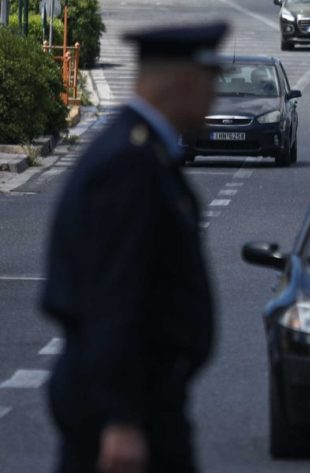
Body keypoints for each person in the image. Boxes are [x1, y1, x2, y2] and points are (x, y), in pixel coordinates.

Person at [41, 22, 227, 473]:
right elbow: (113, 296)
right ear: (183, 83)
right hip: (123, 409)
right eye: (211, 84)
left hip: (143, 399)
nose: (215, 99)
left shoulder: (143, 152)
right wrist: (122, 418)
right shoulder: (129, 165)